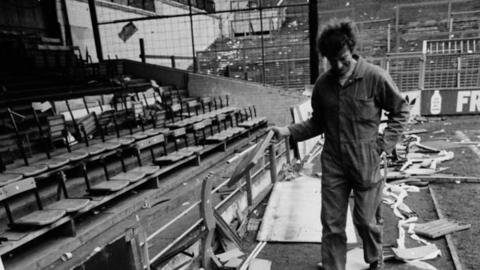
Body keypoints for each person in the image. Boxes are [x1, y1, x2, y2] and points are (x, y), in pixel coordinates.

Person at [270, 19, 409, 270]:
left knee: (366, 220)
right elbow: (316, 124)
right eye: (331, 60)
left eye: (343, 58)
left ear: (351, 49)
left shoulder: (374, 77)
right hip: (334, 161)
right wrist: (287, 131)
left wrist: (384, 144)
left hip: (365, 159)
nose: (338, 65)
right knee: (332, 223)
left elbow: (401, 110)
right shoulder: (323, 85)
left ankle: (373, 259)